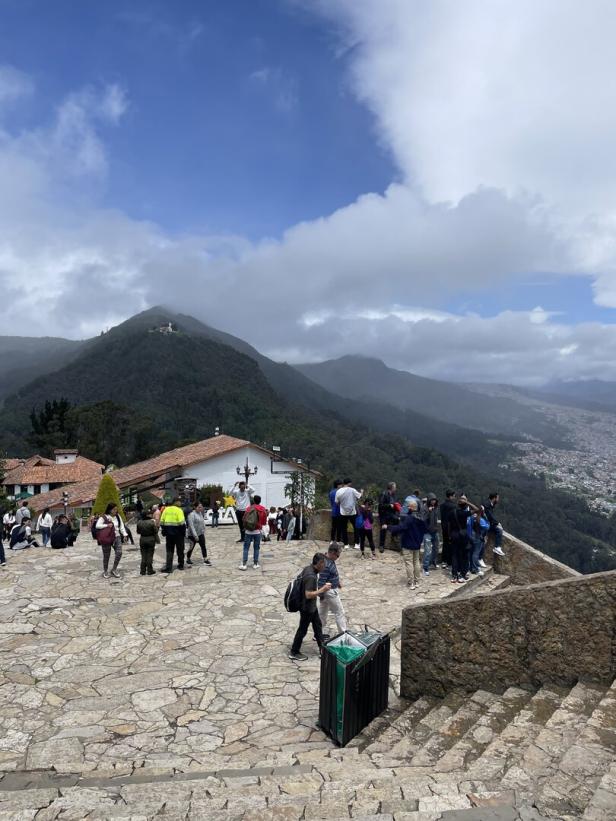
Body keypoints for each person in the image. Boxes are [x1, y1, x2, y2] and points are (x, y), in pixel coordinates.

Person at [288, 552, 331, 661]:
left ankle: (322, 650)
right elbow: (308, 594)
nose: (325, 566)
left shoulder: (308, 568)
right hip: (306, 607)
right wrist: (323, 590)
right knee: (302, 630)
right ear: (320, 563)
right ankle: (294, 651)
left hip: (311, 606)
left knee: (318, 626)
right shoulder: (311, 576)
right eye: (324, 564)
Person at [382, 500, 426, 589]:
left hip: (408, 543)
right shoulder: (421, 518)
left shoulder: (408, 518)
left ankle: (411, 583)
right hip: (417, 544)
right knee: (416, 562)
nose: (407, 508)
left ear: (411, 508)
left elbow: (401, 528)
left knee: (409, 563)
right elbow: (423, 531)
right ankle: (417, 581)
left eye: (408, 506)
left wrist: (388, 527)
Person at [448, 494, 479, 584]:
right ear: (465, 505)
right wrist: (468, 502)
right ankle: (462, 575)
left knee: (454, 555)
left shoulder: (451, 512)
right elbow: (477, 510)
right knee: (463, 555)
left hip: (453, 535)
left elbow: (449, 525)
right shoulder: (464, 513)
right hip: (462, 536)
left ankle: (454, 575)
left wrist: (450, 535)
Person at [318, 542, 347, 635]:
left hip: (327, 591)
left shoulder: (329, 560)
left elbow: (331, 575)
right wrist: (321, 595)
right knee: (339, 612)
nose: (338, 557)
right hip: (329, 592)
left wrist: (337, 582)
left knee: (322, 613)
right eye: (337, 556)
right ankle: (343, 634)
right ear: (332, 553)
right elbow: (321, 581)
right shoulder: (325, 564)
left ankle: (318, 633)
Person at [95, 503, 126, 578]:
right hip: (107, 538)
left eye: (116, 509)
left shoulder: (118, 516)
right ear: (110, 509)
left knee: (119, 553)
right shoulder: (104, 517)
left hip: (117, 537)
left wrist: (125, 534)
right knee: (106, 555)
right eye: (114, 509)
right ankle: (105, 571)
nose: (116, 510)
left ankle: (114, 569)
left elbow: (121, 526)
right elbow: (97, 525)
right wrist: (106, 525)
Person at [239, 494, 267, 570]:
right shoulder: (263, 509)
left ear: (253, 500)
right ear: (260, 501)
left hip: (248, 531)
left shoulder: (249, 508)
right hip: (257, 531)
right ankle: (255, 564)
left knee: (246, 548)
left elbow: (244, 519)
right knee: (256, 548)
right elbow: (264, 522)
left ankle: (244, 564)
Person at [159, 497, 186, 573]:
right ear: (176, 502)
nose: (181, 503)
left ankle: (168, 568)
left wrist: (164, 531)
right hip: (178, 535)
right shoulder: (179, 510)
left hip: (169, 535)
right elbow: (182, 523)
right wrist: (183, 533)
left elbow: (161, 522)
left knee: (169, 551)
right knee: (180, 550)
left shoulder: (166, 509)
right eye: (180, 502)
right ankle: (181, 565)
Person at [335, 478, 363, 550]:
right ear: (349, 483)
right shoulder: (352, 490)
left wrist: (342, 506)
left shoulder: (339, 491)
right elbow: (360, 496)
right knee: (356, 528)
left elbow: (337, 502)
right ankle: (356, 544)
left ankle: (346, 544)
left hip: (343, 513)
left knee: (344, 529)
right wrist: (362, 492)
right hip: (352, 512)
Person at [136, 508, 160, 575]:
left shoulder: (139, 522)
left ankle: (142, 570)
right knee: (150, 555)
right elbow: (156, 531)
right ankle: (150, 570)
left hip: (142, 539)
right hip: (151, 539)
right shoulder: (151, 522)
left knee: (143, 555)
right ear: (147, 515)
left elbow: (138, 532)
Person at [468, 508, 489, 576]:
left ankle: (471, 568)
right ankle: (476, 568)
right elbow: (487, 527)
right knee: (476, 554)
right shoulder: (480, 519)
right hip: (478, 537)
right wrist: (486, 518)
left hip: (471, 537)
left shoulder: (470, 517)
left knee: (471, 553)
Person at [483, 492, 506, 557]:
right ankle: (497, 547)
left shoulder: (489, 504)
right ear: (494, 498)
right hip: (484, 524)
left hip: (486, 523)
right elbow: (489, 516)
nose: (498, 500)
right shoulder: (487, 504)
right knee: (499, 530)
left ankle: (497, 547)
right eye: (497, 498)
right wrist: (497, 523)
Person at [422, 494, 440, 575]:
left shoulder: (436, 508)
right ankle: (425, 567)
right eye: (432, 500)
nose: (433, 501)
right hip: (427, 532)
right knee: (428, 551)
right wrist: (428, 512)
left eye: (435, 500)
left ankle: (433, 562)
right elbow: (423, 519)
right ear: (429, 500)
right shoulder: (424, 508)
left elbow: (436, 519)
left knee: (436, 548)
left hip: (435, 531)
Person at [378, 482, 397, 552]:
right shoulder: (384, 494)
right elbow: (380, 505)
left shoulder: (393, 495)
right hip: (384, 515)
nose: (396, 488)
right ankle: (381, 546)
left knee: (397, 520)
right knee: (383, 530)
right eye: (395, 487)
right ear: (391, 487)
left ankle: (394, 537)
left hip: (391, 514)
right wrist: (389, 505)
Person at [440, 490, 457, 568]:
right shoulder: (453, 506)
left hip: (444, 526)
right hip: (451, 527)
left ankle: (444, 561)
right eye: (454, 496)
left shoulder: (442, 505)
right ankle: (449, 561)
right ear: (450, 496)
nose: (454, 497)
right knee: (451, 544)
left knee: (445, 543)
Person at [328, 480, 342, 545]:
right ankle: (338, 540)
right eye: (341, 485)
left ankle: (332, 540)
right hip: (340, 512)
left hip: (333, 511)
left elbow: (331, 502)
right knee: (339, 527)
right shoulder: (340, 492)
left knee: (333, 527)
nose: (341, 486)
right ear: (338, 485)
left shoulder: (331, 492)